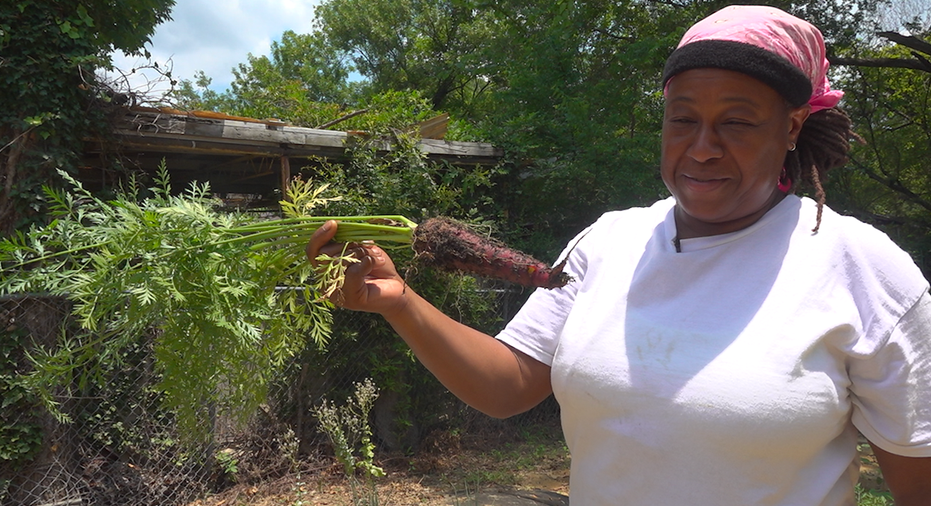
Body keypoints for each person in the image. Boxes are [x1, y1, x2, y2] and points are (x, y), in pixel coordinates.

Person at [306, 5, 931, 505]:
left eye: (737, 123)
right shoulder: (610, 240)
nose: (703, 148)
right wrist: (400, 303)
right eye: (682, 119)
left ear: (792, 127)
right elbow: (508, 387)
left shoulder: (862, 269)